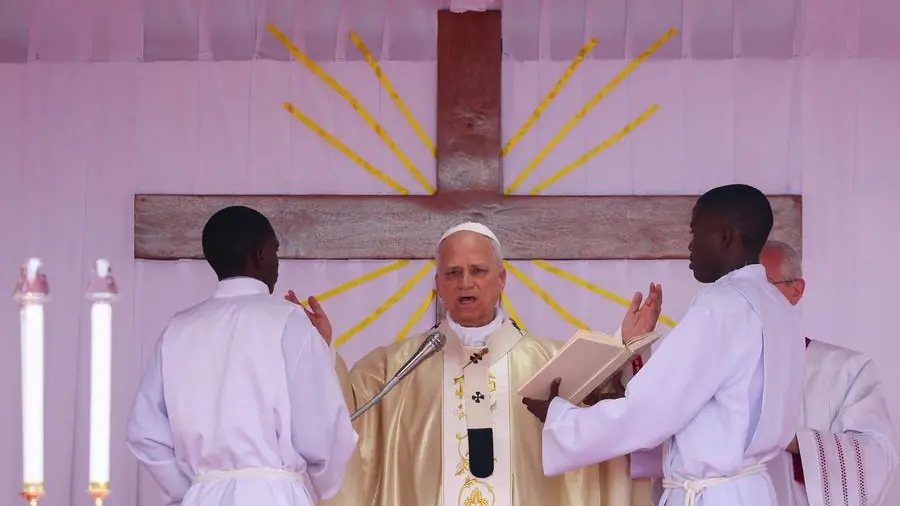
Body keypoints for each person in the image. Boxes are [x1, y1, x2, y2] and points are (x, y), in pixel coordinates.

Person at [289, 222, 661, 506]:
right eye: (452, 273)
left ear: (501, 279)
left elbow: (610, 419)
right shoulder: (392, 369)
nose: (465, 282)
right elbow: (345, 418)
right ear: (438, 283)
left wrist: (626, 350)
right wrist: (320, 352)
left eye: (478, 271)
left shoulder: (552, 364)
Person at [523, 183, 808, 506]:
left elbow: (649, 413)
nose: (690, 246)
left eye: (696, 233)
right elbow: (710, 403)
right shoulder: (777, 306)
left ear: (725, 236)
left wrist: (561, 418)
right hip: (754, 491)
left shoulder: (721, 306)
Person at [126, 205, 357, 506]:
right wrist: (326, 483)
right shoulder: (289, 321)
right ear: (259, 254)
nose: (277, 262)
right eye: (275, 250)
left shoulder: (177, 329)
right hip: (273, 496)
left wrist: (195, 489)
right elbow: (321, 428)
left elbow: (144, 431)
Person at [760, 240, 898, 506]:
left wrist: (792, 441)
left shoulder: (847, 370)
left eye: (763, 287)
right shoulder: (713, 369)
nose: (749, 300)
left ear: (796, 291)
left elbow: (877, 458)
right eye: (740, 290)